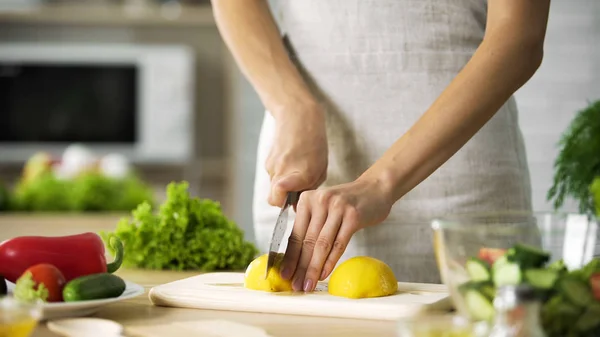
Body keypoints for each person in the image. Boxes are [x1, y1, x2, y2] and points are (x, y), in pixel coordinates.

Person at [212, 0, 550, 291]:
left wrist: (380, 181)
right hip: (303, 171)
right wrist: (292, 106)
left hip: (458, 177)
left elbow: (519, 37)